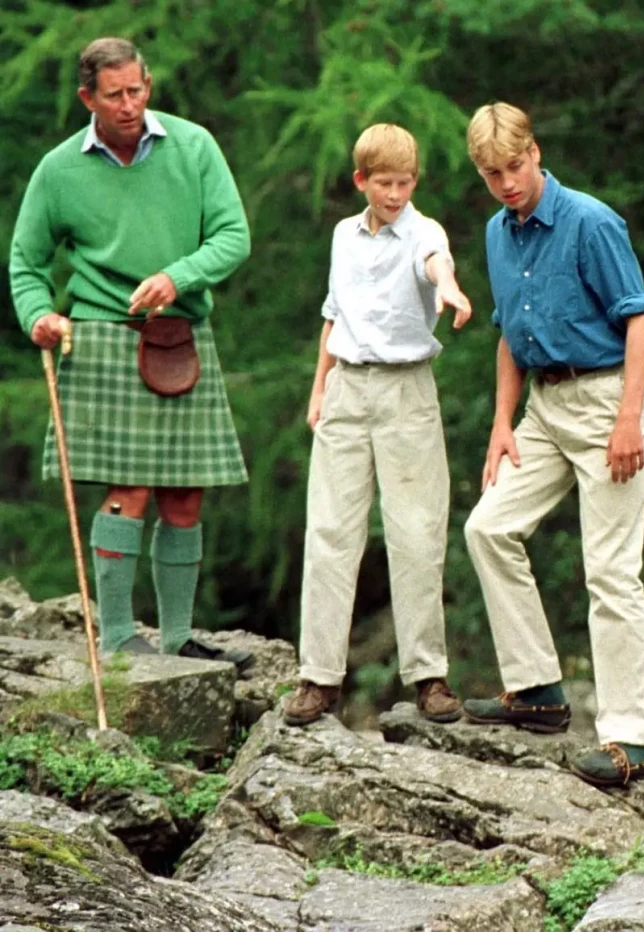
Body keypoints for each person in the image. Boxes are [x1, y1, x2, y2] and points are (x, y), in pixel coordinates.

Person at [8, 37, 253, 672]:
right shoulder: (59, 170)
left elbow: (233, 236)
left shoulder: (194, 148)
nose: (130, 105)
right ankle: (117, 635)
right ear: (87, 97)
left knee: (185, 497)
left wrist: (179, 276)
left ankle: (176, 638)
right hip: (101, 337)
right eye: (114, 95)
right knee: (131, 489)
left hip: (182, 334)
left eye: (138, 90)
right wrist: (39, 315)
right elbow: (26, 263)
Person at [461, 102, 644, 788]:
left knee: (609, 570)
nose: (507, 182)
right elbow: (509, 333)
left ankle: (630, 739)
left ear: (535, 152)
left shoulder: (591, 222)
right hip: (543, 404)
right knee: (488, 528)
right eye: (492, 173)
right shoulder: (497, 231)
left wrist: (629, 416)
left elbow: (640, 322)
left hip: (607, 398)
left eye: (514, 166)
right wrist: (501, 422)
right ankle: (537, 691)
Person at [283, 123, 472, 726]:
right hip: (346, 388)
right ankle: (319, 677)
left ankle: (429, 677)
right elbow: (333, 316)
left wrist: (450, 290)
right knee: (331, 531)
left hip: (404, 390)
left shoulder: (424, 231)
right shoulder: (344, 235)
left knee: (416, 532)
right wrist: (319, 390)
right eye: (385, 183)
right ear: (362, 181)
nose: (395, 194)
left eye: (406, 182)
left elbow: (435, 263)